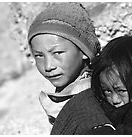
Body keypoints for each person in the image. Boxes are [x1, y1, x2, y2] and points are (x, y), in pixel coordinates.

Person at [28, 2, 111, 134]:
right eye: (39, 56)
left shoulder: (90, 111)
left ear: (84, 52)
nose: (48, 66)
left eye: (58, 53)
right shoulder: (72, 96)